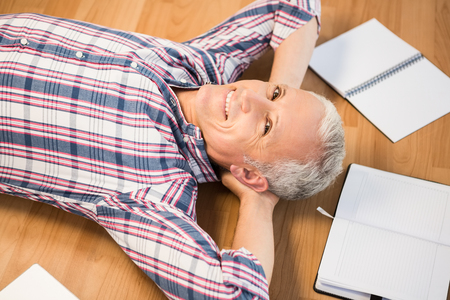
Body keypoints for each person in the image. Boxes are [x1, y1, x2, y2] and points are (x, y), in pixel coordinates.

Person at [0, 0, 344, 298]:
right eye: (273, 94)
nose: (247, 96)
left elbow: (241, 295)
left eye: (265, 126)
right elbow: (296, 6)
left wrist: (259, 200)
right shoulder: (207, 64)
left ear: (250, 173)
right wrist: (276, 94)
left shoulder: (153, 190)